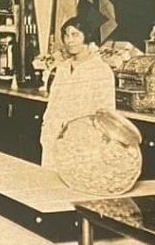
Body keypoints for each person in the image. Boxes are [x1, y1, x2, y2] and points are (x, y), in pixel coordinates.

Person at [39, 17, 116, 169]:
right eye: (67, 35)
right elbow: (53, 103)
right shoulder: (62, 68)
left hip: (84, 142)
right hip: (54, 138)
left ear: (87, 36)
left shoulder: (100, 70)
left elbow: (106, 113)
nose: (69, 40)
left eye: (75, 35)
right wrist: (47, 129)